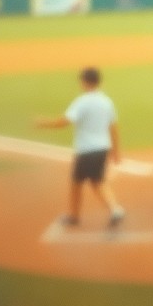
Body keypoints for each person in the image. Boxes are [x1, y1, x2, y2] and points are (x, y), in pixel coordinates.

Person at [35, 67, 125, 228]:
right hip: (102, 148)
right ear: (99, 81)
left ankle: (75, 216)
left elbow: (64, 122)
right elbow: (113, 127)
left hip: (86, 150)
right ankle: (114, 210)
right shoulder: (106, 101)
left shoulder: (82, 102)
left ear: (84, 82)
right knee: (97, 181)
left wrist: (43, 123)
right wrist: (116, 151)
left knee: (77, 182)